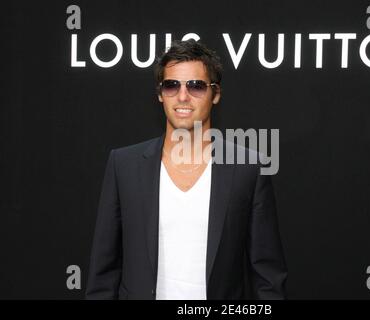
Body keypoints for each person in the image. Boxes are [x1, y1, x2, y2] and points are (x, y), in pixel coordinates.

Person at [85, 39, 287, 300]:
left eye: (196, 86)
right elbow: (103, 272)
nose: (182, 96)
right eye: (171, 85)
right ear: (160, 94)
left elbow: (268, 277)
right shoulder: (124, 165)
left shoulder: (247, 169)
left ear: (215, 94)